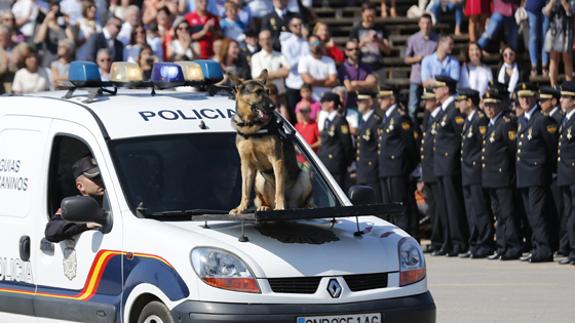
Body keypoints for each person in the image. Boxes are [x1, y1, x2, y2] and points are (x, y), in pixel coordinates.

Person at [515, 82, 558, 262]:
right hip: (524, 175)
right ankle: (536, 246)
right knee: (530, 214)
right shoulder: (522, 120)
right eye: (521, 96)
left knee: (538, 214)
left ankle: (544, 248)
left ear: (535, 98)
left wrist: (542, 166)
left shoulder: (542, 119)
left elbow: (552, 148)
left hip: (536, 174)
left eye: (528, 96)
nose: (524, 100)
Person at [481, 86, 522, 260]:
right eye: (487, 105)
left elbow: (513, 150)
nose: (489, 109)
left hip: (503, 177)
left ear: (499, 105)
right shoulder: (491, 124)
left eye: (493, 105)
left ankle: (513, 246)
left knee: (507, 214)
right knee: (498, 214)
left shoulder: (506, 123)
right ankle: (503, 245)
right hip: (492, 177)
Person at [431, 76, 468, 256]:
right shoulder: (443, 112)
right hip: (441, 165)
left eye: (437, 88)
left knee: (453, 207)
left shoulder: (454, 111)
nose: (435, 92)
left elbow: (460, 138)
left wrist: (452, 160)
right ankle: (448, 242)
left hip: (449, 165)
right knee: (444, 207)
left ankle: (458, 242)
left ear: (446, 89)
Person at [377, 85, 419, 236]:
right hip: (387, 168)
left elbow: (410, 144)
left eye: (383, 97)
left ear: (391, 99)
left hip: (397, 168)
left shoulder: (400, 116)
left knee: (401, 207)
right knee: (391, 207)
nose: (380, 101)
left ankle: (406, 236)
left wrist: (409, 166)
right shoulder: (388, 117)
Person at [457, 88, 494, 258]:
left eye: (461, 100)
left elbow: (483, 147)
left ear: (469, 101)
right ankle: (475, 243)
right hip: (467, 172)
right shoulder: (469, 120)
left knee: (480, 210)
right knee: (471, 211)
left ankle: (484, 243)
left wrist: (476, 165)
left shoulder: (480, 120)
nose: (459, 104)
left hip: (476, 171)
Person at [45, 156, 104, 243]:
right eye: (95, 178)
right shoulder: (76, 206)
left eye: (102, 177)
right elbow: (52, 231)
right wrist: (85, 225)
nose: (102, 181)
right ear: (80, 186)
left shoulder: (116, 201)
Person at [540, 86, 566, 254]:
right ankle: (559, 243)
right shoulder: (550, 117)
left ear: (553, 101)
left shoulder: (556, 118)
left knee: (561, 210)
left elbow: (552, 147)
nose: (540, 103)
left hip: (557, 171)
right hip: (552, 172)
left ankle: (563, 245)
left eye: (544, 100)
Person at [420, 87, 444, 254]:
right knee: (434, 209)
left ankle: (441, 240)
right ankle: (437, 240)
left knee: (440, 208)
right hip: (429, 171)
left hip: (436, 170)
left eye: (428, 99)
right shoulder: (430, 118)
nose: (425, 103)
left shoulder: (439, 117)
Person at [404, 13, 438, 120]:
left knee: (431, 106)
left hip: (431, 78)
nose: (425, 26)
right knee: (412, 107)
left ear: (431, 24)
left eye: (428, 23)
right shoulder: (413, 39)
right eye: (423, 23)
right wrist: (417, 58)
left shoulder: (437, 39)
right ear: (419, 24)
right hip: (416, 77)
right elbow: (406, 59)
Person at [317, 91, 354, 188]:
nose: (322, 104)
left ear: (331, 103)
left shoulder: (340, 120)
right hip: (326, 162)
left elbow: (347, 143)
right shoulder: (327, 120)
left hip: (336, 163)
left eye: (324, 101)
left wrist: (348, 161)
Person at [557, 80, 575, 265]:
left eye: (565, 97)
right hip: (565, 173)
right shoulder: (566, 119)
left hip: (572, 173)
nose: (561, 100)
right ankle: (571, 249)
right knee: (569, 213)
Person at [349, 3, 391, 80]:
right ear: (362, 14)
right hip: (362, 66)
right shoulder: (356, 30)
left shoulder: (381, 29)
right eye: (367, 16)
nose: (370, 19)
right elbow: (351, 50)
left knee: (381, 90)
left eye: (372, 16)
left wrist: (379, 41)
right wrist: (364, 42)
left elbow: (388, 51)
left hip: (379, 66)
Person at [281, 16, 309, 123]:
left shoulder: (307, 41)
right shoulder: (287, 43)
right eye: (295, 25)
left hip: (305, 82)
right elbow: (290, 65)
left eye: (300, 25)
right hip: (293, 83)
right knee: (294, 115)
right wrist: (303, 57)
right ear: (290, 27)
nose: (298, 27)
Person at [338, 39, 378, 113]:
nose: (354, 51)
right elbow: (349, 88)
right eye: (351, 49)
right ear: (346, 52)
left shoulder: (365, 66)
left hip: (366, 106)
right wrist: (366, 85)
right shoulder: (343, 68)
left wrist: (356, 83)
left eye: (356, 49)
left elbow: (373, 83)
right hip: (350, 106)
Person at [355, 91, 382, 202]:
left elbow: (379, 147)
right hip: (363, 170)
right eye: (357, 101)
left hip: (372, 170)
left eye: (361, 101)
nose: (358, 103)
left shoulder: (375, 121)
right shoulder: (364, 121)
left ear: (370, 102)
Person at [33, 1, 74, 68]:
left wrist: (67, 23)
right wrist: (47, 19)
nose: (55, 13)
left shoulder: (63, 28)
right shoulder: (43, 26)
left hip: (61, 64)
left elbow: (72, 42)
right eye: (52, 10)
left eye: (57, 11)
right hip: (46, 63)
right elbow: (39, 39)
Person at [543, 0, 575, 87]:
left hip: (567, 32)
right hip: (554, 32)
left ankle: (569, 87)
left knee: (567, 59)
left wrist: (564, 2)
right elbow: (545, 12)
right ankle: (553, 86)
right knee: (553, 60)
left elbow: (570, 12)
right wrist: (552, 2)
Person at [298, 35, 338, 101]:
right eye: (312, 43)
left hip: (327, 99)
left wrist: (314, 81)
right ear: (308, 44)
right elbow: (308, 81)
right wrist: (326, 79)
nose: (315, 45)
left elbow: (333, 81)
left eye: (316, 43)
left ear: (320, 43)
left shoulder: (329, 60)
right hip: (311, 101)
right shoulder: (303, 60)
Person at [250, 29, 289, 98]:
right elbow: (258, 77)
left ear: (272, 39)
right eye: (263, 39)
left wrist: (268, 75)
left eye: (268, 39)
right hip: (264, 96)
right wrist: (279, 73)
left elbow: (286, 72)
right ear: (259, 42)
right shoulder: (255, 57)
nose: (266, 42)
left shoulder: (280, 55)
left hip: (281, 94)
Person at [526, 0, 550, 76]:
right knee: (533, 37)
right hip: (533, 5)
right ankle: (534, 66)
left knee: (545, 37)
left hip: (547, 5)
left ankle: (544, 65)